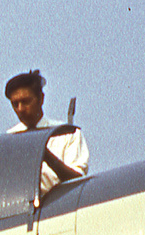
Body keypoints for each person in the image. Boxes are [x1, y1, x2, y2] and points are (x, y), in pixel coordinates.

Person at [5, 70, 89, 199]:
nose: (20, 109)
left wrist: (45, 155)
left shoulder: (67, 134)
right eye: (15, 104)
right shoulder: (8, 140)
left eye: (26, 102)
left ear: (41, 99)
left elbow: (78, 181)